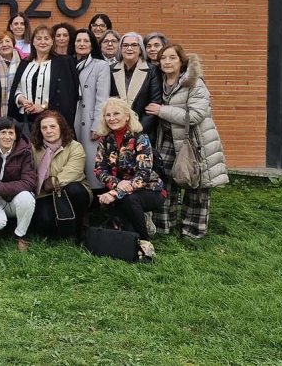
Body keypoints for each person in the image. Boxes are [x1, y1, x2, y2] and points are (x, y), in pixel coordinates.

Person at [146, 45, 229, 239]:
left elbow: (196, 115)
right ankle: (164, 226)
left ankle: (193, 230)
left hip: (193, 141)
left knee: (195, 183)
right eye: (163, 58)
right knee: (164, 182)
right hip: (167, 140)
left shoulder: (194, 82)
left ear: (181, 61)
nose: (167, 62)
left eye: (172, 57)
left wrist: (161, 111)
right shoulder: (159, 81)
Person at [94, 97, 165, 251]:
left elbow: (143, 174)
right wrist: (117, 184)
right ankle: (140, 225)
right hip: (119, 187)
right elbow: (99, 169)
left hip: (149, 189)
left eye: (116, 114)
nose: (111, 118)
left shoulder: (140, 138)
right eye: (107, 115)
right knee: (123, 221)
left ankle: (145, 243)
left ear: (127, 116)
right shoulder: (105, 139)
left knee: (129, 200)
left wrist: (115, 193)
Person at [29, 110, 90, 240]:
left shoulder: (74, 146)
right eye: (44, 128)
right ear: (39, 130)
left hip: (68, 189)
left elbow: (74, 171)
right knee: (45, 223)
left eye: (53, 126)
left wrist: (52, 182)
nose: (48, 131)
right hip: (44, 193)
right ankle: (61, 227)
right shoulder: (33, 148)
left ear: (61, 127)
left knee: (76, 190)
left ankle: (78, 227)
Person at [9, 26, 79, 135]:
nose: (42, 42)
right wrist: (23, 100)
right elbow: (17, 88)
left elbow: (67, 94)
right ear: (33, 42)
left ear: (52, 41)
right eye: (38, 38)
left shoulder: (63, 62)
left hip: (52, 120)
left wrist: (43, 107)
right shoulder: (25, 63)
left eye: (46, 38)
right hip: (25, 119)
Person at [0, 117, 36, 251]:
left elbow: (28, 182)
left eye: (11, 133)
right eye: (3, 132)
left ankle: (20, 235)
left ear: (16, 136)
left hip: (15, 198)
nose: (7, 137)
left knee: (27, 198)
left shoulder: (26, 151)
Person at [73, 28, 111, 190]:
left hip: (89, 121)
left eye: (86, 41)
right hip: (71, 118)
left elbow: (102, 98)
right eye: (78, 40)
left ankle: (96, 197)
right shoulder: (69, 63)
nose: (82, 44)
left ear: (92, 44)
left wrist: (97, 125)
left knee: (91, 164)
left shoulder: (100, 65)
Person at [110, 32, 163, 139]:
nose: (129, 48)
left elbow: (154, 104)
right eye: (125, 45)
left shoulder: (152, 70)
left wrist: (137, 131)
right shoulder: (110, 69)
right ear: (120, 49)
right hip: (115, 130)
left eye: (134, 45)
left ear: (140, 49)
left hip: (143, 132)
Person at [0, 31, 25, 122]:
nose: (4, 45)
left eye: (7, 41)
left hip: (21, 107)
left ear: (13, 43)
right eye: (0, 42)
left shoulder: (25, 59)